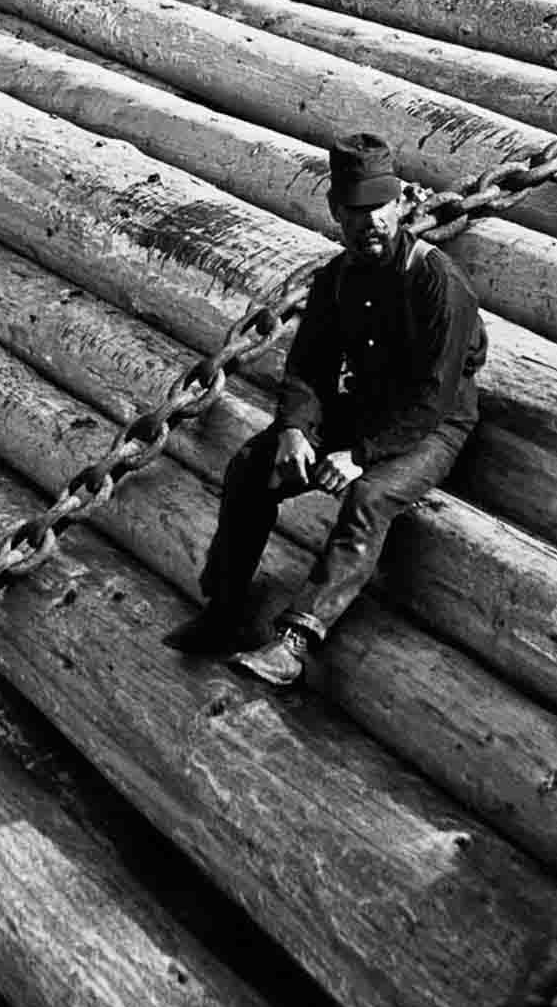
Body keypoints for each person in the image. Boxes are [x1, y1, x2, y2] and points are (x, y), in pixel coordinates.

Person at [169, 132, 487, 687]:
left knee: (369, 496)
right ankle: (224, 611)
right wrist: (294, 428)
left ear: (402, 204)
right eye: (357, 211)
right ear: (338, 212)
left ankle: (294, 641)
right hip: (364, 407)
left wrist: (360, 455)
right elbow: (308, 366)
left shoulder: (437, 282)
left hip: (431, 425)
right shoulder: (337, 277)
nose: (372, 222)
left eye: (381, 207)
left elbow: (432, 399)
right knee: (252, 466)